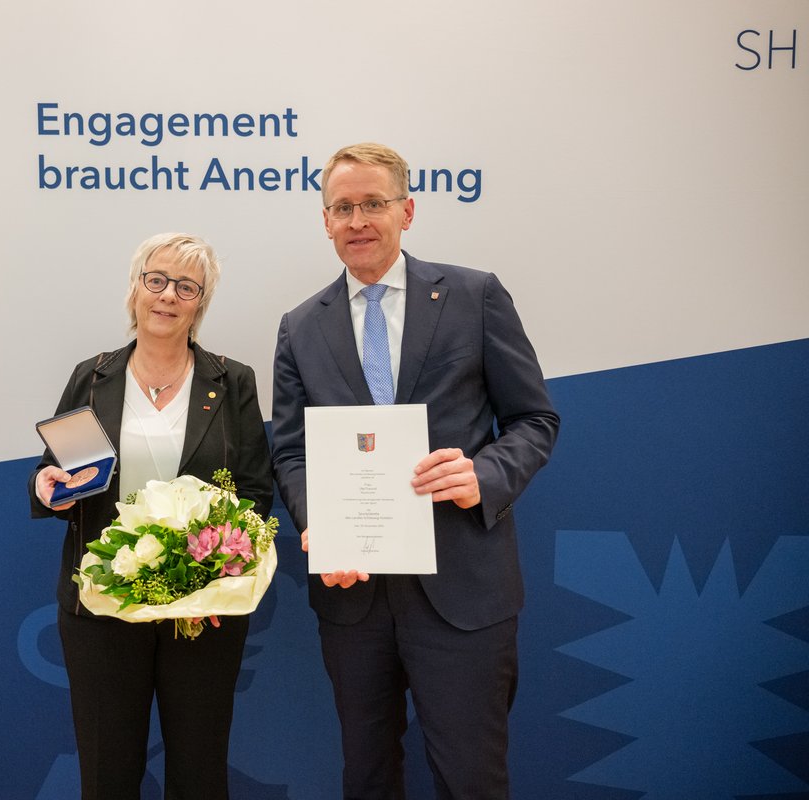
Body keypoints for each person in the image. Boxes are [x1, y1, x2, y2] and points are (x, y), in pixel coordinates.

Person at [271, 143, 560, 799]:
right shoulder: (299, 327)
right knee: (367, 778)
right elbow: (290, 451)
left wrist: (484, 476)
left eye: (373, 203)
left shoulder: (474, 295)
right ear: (325, 220)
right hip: (354, 597)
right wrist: (320, 522)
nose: (358, 221)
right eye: (343, 207)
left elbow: (534, 419)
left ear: (407, 210)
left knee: (470, 779)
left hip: (462, 590)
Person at [29, 232, 273, 800]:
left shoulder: (232, 381)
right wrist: (47, 489)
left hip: (202, 610)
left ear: (200, 303)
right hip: (103, 605)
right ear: (136, 288)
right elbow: (56, 474)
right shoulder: (93, 377)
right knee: (107, 776)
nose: (168, 295)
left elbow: (255, 491)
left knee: (199, 774)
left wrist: (222, 576)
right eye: (156, 280)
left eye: (186, 287)